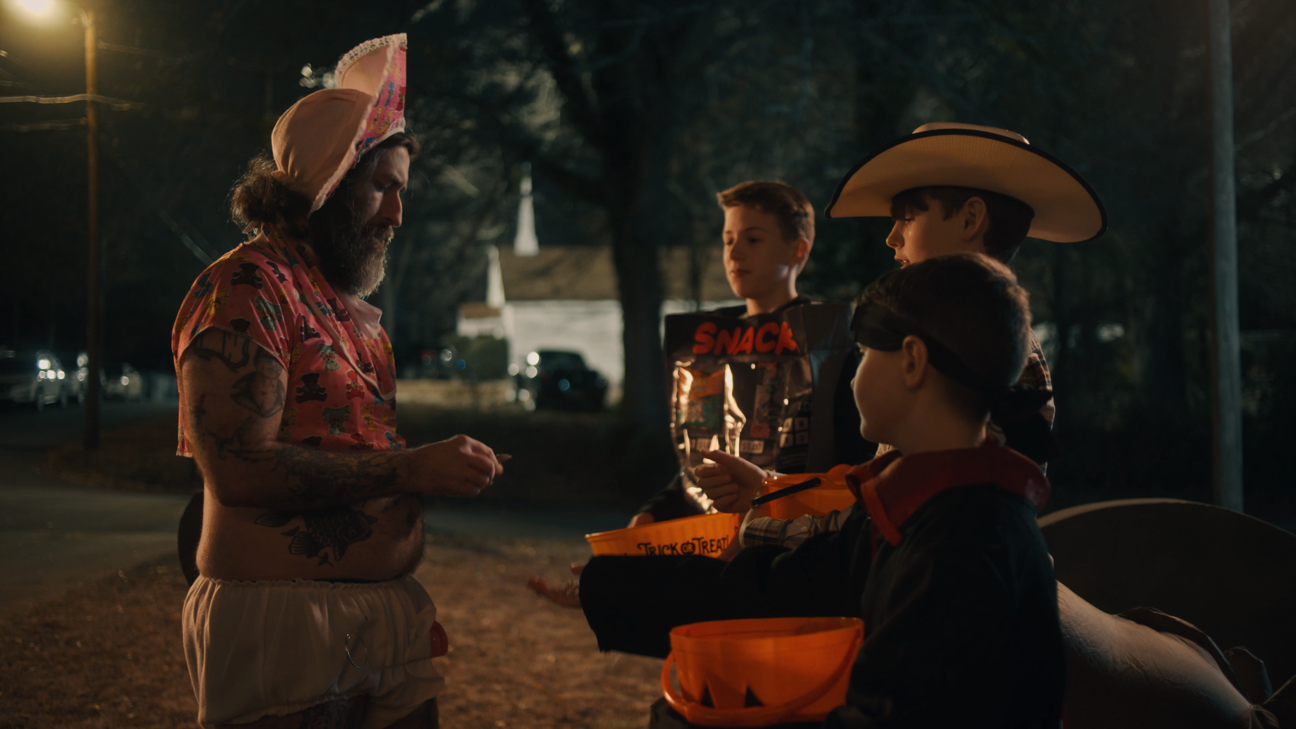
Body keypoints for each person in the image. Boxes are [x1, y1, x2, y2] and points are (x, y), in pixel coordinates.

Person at [172, 34, 503, 729]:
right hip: (283, 625)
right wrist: (411, 467)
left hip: (383, 620)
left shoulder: (349, 311)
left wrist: (424, 476)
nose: (396, 214)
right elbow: (238, 470)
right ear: (326, 180)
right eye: (381, 186)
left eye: (400, 191)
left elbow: (350, 451)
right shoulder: (246, 288)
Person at [588, 254, 1066, 728]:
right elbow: (791, 586)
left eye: (864, 356)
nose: (854, 375)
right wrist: (614, 585)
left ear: (913, 362)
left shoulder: (963, 544)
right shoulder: (925, 509)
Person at [711, 122, 1106, 549]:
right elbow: (883, 489)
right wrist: (770, 490)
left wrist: (756, 530)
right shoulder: (961, 337)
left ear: (970, 219)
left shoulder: (974, 351)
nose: (891, 237)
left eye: (908, 218)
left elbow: (893, 525)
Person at [631, 181, 875, 527]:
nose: (734, 253)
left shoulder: (831, 344)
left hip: (791, 542)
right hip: (712, 540)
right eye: (728, 240)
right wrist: (655, 510)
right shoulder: (704, 344)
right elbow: (695, 465)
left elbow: (856, 461)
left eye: (753, 239)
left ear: (798, 251)